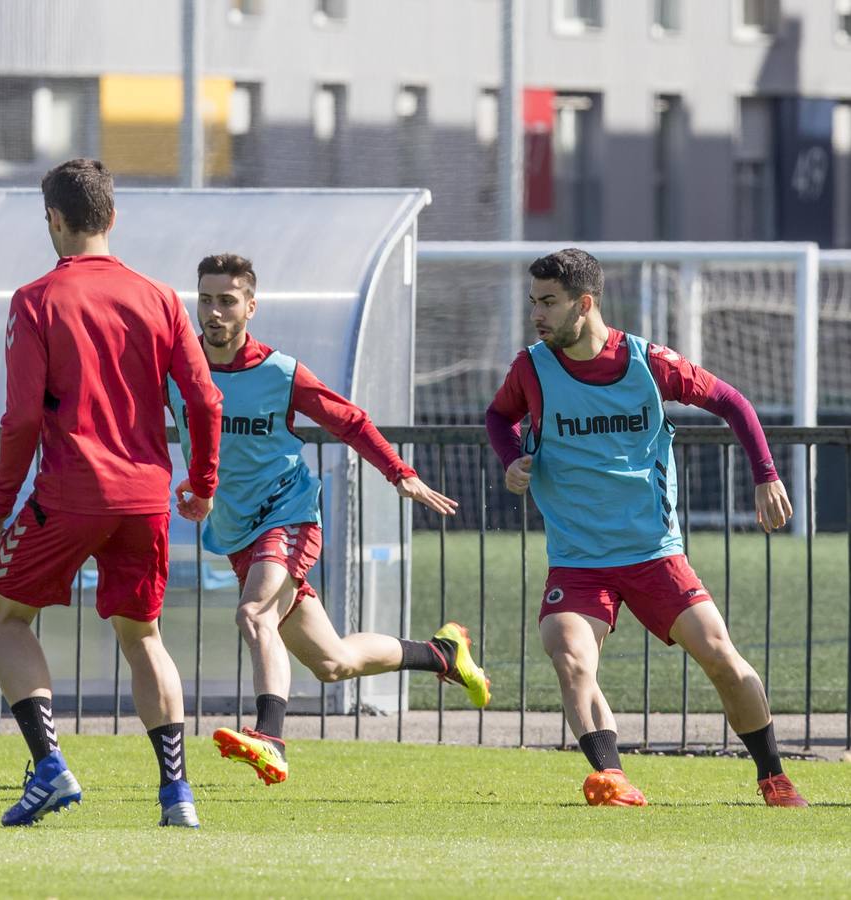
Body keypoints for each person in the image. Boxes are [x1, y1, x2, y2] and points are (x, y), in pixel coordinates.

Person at [487, 248, 806, 807]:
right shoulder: (530, 368)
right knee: (568, 655)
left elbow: (732, 401)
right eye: (532, 302)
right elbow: (497, 416)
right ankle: (612, 779)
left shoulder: (646, 362)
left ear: (584, 304)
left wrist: (766, 475)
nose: (536, 314)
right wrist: (510, 456)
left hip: (653, 553)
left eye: (548, 303)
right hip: (579, 558)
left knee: (721, 658)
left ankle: (774, 777)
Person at [170, 253, 491, 786]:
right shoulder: (180, 372)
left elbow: (349, 420)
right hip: (235, 530)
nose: (214, 312)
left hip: (288, 514)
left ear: (251, 306)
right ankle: (442, 654)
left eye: (227, 301)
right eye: (205, 300)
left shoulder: (280, 371)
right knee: (333, 662)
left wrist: (399, 472)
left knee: (254, 615)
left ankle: (270, 738)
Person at [0, 159, 222, 828]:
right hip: (146, 498)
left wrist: (0, 506)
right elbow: (203, 398)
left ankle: (50, 767)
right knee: (144, 638)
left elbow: (23, 417)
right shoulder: (162, 298)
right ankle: (177, 795)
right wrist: (201, 483)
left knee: (4, 617)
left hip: (71, 491)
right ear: (112, 218)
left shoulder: (36, 300)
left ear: (53, 220)